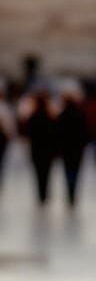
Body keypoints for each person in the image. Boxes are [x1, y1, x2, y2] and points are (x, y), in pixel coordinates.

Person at [20, 83, 59, 205]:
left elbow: (27, 133)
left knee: (38, 173)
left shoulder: (34, 116)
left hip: (37, 149)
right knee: (46, 173)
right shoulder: (51, 116)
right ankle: (45, 194)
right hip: (47, 150)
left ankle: (41, 195)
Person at [57, 80, 90, 208]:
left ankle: (70, 194)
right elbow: (85, 133)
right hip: (77, 149)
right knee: (75, 171)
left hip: (66, 149)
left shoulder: (62, 115)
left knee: (68, 171)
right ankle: (73, 195)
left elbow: (58, 133)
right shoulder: (80, 114)